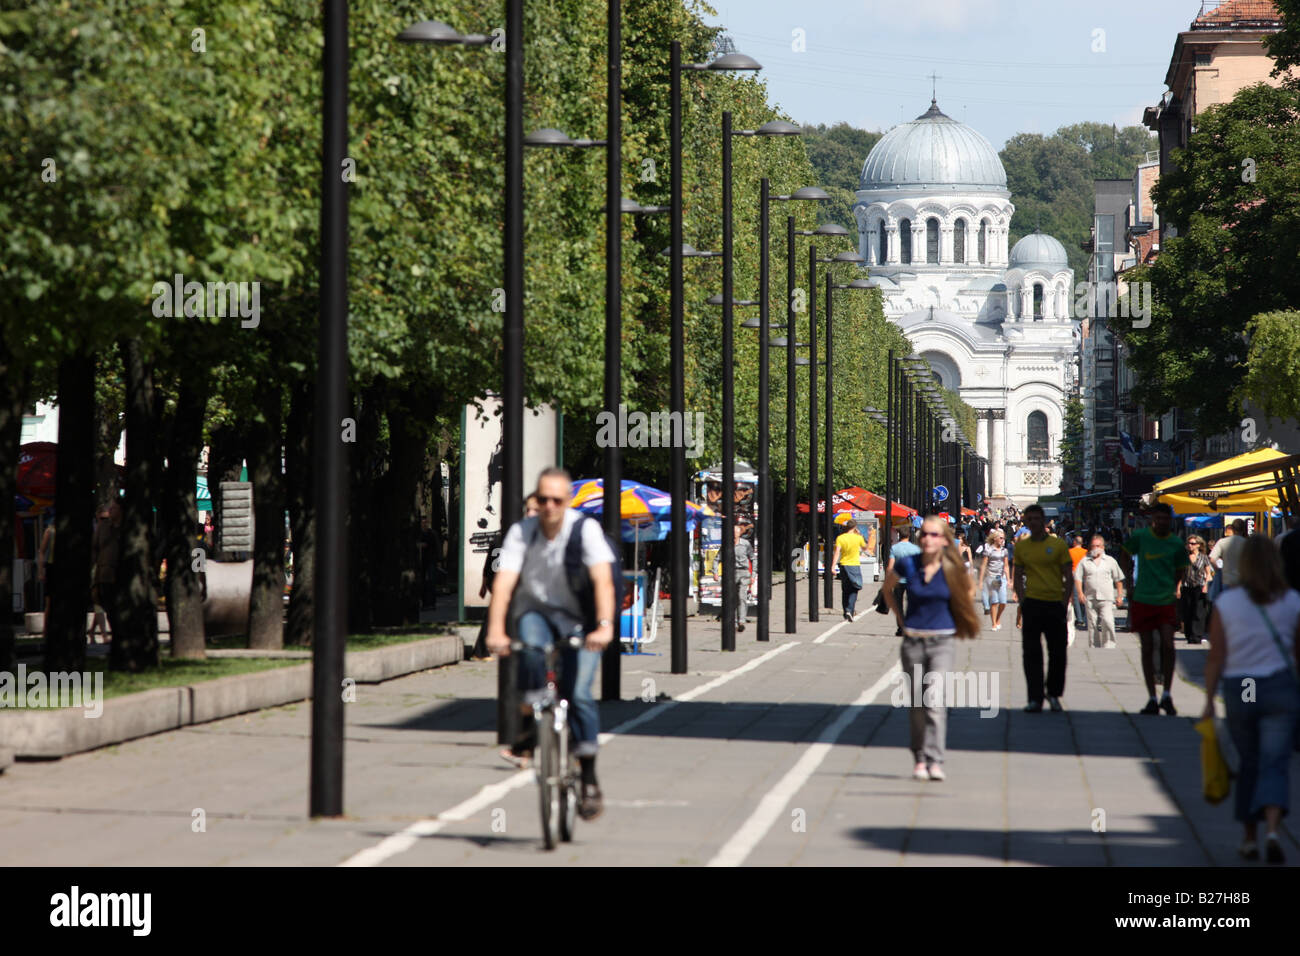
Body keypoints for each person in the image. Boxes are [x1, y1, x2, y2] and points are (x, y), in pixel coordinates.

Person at [486, 469, 615, 820]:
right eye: (542, 499)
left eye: (556, 500)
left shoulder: (584, 530)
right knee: (528, 644)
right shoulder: (522, 532)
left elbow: (603, 580)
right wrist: (496, 631)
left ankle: (588, 777)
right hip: (537, 613)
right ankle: (533, 717)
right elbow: (504, 584)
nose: (548, 506)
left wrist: (603, 627)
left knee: (580, 693)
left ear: (568, 501)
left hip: (581, 619)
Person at [1201, 534, 1300, 863]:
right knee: (1275, 762)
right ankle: (1273, 830)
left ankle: (1248, 837)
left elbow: (1216, 656)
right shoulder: (1292, 601)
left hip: (1244, 686)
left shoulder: (1228, 603)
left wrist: (1207, 700)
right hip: (1279, 687)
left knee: (1249, 762)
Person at [881, 516, 980, 781]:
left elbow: (970, 590)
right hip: (913, 640)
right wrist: (900, 620)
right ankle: (919, 758)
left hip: (942, 641)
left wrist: (957, 614)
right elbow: (887, 589)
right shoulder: (907, 563)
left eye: (934, 535)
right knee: (916, 703)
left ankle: (935, 759)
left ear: (945, 540)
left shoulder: (952, 567)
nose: (927, 539)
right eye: (924, 534)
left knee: (934, 700)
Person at [1121, 503, 1189, 715]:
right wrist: (1129, 585)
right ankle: (1152, 696)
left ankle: (1167, 694)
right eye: (1157, 519)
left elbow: (1181, 569)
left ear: (1170, 520)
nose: (1161, 523)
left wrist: (1175, 587)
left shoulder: (1176, 543)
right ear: (1153, 520)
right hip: (1143, 598)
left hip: (1166, 600)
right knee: (1147, 647)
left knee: (1169, 645)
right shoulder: (1141, 537)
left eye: (1164, 519)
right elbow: (1124, 554)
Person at [1013, 504, 1073, 713]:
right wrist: (1022, 600)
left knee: (1058, 652)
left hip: (1054, 603)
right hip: (1032, 603)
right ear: (1025, 522)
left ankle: (1054, 693)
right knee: (1031, 653)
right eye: (1029, 519)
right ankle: (1035, 698)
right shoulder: (1022, 547)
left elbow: (1068, 574)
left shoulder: (1058, 546)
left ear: (1044, 521)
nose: (1033, 522)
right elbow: (1018, 575)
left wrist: (1064, 602)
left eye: (1037, 518)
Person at [474, 495, 540, 661]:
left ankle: (489, 648)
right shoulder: (515, 538)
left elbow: (487, 564)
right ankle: (481, 650)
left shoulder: (497, 539)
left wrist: (484, 585)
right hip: (503, 581)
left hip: (494, 580)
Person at [1075, 534, 1125, 649]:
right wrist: (1080, 593)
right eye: (1093, 546)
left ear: (1103, 547)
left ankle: (1109, 645)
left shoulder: (1110, 561)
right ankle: (1094, 647)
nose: (1095, 548)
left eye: (1098, 545)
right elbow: (1078, 578)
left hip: (1106, 597)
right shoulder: (1085, 561)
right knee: (1092, 624)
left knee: (1108, 621)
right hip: (1090, 597)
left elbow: (1118, 579)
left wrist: (1119, 596)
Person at [91, 501, 123, 641]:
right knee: (107, 605)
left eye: (114, 508)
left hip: (122, 574)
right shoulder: (103, 527)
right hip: (105, 573)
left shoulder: (128, 528)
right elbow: (94, 549)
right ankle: (115, 633)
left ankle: (120, 635)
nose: (111, 511)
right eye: (110, 508)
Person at [716, 521, 753, 632]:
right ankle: (734, 622)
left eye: (735, 532)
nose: (733, 534)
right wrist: (715, 572)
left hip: (743, 573)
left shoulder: (745, 544)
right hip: (730, 573)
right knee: (731, 598)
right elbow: (718, 558)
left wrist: (754, 573)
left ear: (739, 533)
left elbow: (753, 558)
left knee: (742, 597)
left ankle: (741, 621)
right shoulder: (726, 544)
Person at [886, 527, 921, 637]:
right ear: (909, 535)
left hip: (898, 580)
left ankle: (901, 628)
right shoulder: (915, 549)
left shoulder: (894, 548)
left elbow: (890, 566)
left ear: (899, 535)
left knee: (898, 604)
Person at [1178, 534, 1213, 644]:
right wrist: (1178, 588)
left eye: (1193, 543)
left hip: (1199, 587)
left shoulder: (1204, 557)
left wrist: (1206, 585)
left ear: (1198, 545)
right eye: (1188, 543)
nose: (1190, 545)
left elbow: (1208, 574)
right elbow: (1181, 574)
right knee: (1187, 612)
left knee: (1198, 612)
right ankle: (1189, 635)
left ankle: (1197, 636)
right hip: (1187, 586)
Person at [831, 519, 867, 621]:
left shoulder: (840, 538)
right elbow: (865, 548)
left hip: (843, 564)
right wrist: (860, 535)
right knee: (855, 587)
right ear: (855, 527)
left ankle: (845, 611)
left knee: (845, 589)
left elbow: (837, 552)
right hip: (854, 565)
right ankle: (849, 609)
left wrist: (833, 566)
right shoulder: (858, 538)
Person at [977, 529, 1010, 631]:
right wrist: (981, 581)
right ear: (995, 538)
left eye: (1003, 538)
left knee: (1003, 601)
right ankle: (994, 623)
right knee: (995, 601)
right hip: (991, 577)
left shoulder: (1004, 551)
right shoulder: (989, 550)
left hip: (1001, 578)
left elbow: (1006, 566)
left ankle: (998, 618)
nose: (1002, 540)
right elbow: (983, 565)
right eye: (1000, 538)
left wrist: (1009, 580)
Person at [1210, 520, 1247, 597]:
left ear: (1232, 529)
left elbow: (1212, 559)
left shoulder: (1222, 542)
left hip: (1227, 580)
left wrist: (1218, 570)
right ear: (1244, 529)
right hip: (1243, 582)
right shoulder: (1247, 543)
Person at [1068, 535, 1088, 632]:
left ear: (1074, 542)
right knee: (1084, 596)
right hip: (1085, 576)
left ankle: (1079, 619)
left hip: (1074, 575)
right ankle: (1084, 616)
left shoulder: (1070, 552)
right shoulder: (1086, 552)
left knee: (1075, 597)